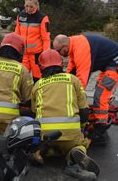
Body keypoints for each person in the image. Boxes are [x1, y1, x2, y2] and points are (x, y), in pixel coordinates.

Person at [31, 49, 99, 180]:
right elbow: (84, 110)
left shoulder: (37, 85)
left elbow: (34, 112)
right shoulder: (73, 80)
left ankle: (40, 153)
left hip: (46, 135)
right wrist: (82, 127)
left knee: (48, 147)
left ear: (41, 67)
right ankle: (73, 158)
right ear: (61, 64)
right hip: (70, 134)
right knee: (80, 144)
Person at [53, 34, 118, 145]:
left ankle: (100, 130)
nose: (59, 54)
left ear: (65, 46)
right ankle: (99, 119)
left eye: (58, 51)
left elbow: (82, 78)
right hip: (109, 63)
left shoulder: (81, 49)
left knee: (101, 95)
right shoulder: (73, 45)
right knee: (99, 92)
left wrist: (74, 99)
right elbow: (71, 70)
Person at [15, 0, 51, 82]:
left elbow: (46, 38)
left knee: (38, 79)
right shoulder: (20, 16)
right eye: (26, 6)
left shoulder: (42, 18)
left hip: (37, 55)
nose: (28, 8)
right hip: (23, 55)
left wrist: (45, 55)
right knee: (21, 79)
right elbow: (16, 35)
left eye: (31, 6)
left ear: (36, 5)